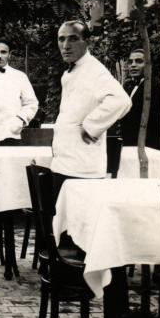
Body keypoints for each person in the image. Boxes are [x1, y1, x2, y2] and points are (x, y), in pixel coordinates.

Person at [51, 20, 131, 199]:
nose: (65, 45)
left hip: (83, 167)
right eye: (61, 39)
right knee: (61, 215)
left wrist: (91, 126)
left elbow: (122, 100)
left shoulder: (95, 70)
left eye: (73, 39)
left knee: (79, 216)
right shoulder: (73, 71)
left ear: (87, 42)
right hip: (63, 162)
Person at [119, 48, 160, 149]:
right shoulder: (128, 87)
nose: (133, 65)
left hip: (148, 146)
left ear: (149, 65)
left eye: (139, 61)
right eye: (130, 62)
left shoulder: (156, 88)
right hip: (128, 145)